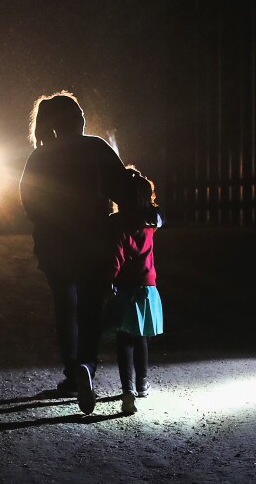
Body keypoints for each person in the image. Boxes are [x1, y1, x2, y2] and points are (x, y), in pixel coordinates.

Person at [19, 91, 127, 414]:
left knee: (65, 308)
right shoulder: (96, 149)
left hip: (55, 245)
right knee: (91, 307)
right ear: (77, 120)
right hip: (94, 242)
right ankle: (87, 366)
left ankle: (72, 371)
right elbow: (123, 189)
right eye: (80, 114)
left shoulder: (40, 157)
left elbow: (28, 202)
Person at [106, 167, 165, 415]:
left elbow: (116, 256)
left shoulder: (117, 223)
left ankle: (127, 390)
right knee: (142, 337)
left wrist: (109, 280)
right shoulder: (151, 221)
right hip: (147, 286)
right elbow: (159, 213)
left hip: (125, 287)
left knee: (124, 340)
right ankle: (142, 384)